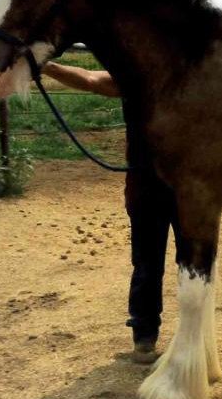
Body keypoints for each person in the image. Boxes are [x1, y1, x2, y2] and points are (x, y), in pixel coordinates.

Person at [43, 61, 171, 363]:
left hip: (185, 186)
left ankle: (159, 336)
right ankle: (144, 335)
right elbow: (89, 78)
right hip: (148, 185)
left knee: (170, 263)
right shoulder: (137, 79)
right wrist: (45, 66)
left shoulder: (190, 78)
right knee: (148, 262)